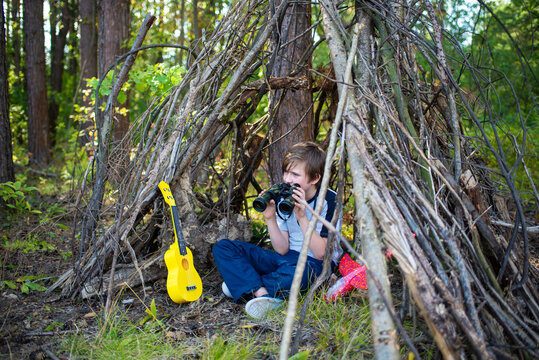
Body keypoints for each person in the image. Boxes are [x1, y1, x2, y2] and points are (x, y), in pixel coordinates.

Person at [212, 141, 342, 319]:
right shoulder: (283, 196)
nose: (288, 179)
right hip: (286, 259)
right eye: (286, 172)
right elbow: (281, 249)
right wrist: (270, 217)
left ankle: (245, 285)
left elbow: (321, 253)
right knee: (223, 247)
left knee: (300, 276)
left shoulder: (330, 200)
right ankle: (262, 294)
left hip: (315, 264)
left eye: (295, 174)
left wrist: (303, 217)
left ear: (315, 178)